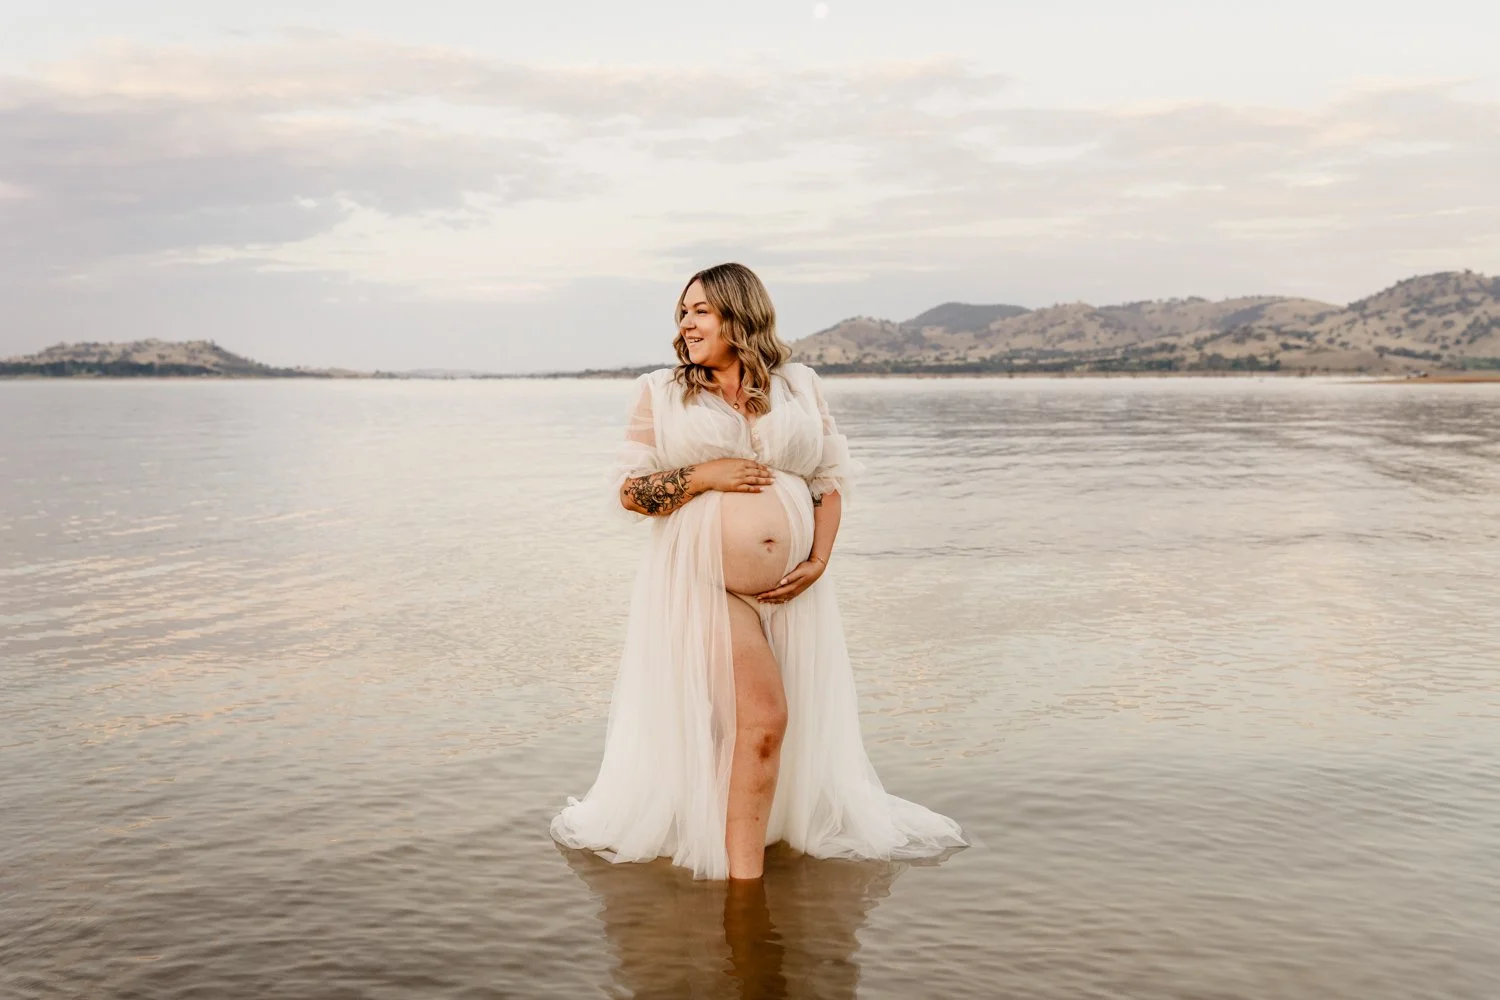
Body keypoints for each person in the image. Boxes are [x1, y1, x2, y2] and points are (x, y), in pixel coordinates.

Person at [550, 262, 965, 880]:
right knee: (763, 720)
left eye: (701, 310)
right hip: (702, 588)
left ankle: (749, 864)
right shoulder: (663, 392)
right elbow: (630, 494)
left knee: (759, 734)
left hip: (795, 592)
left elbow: (828, 481)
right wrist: (702, 475)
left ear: (739, 313)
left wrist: (819, 559)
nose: (687, 323)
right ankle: (743, 886)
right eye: (682, 312)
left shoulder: (799, 385)